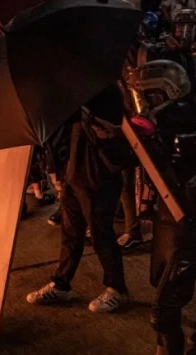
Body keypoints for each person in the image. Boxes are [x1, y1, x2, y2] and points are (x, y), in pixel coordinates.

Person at [26, 84, 131, 313]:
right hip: (73, 174)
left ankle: (117, 288)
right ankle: (61, 284)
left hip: (97, 175)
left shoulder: (107, 90)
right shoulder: (73, 92)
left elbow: (112, 131)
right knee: (70, 233)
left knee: (100, 233)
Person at [126, 59, 196, 355]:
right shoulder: (165, 127)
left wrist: (155, 144)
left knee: (163, 311)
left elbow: (182, 180)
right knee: (165, 295)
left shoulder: (184, 126)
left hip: (186, 223)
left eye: (147, 96)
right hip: (168, 220)